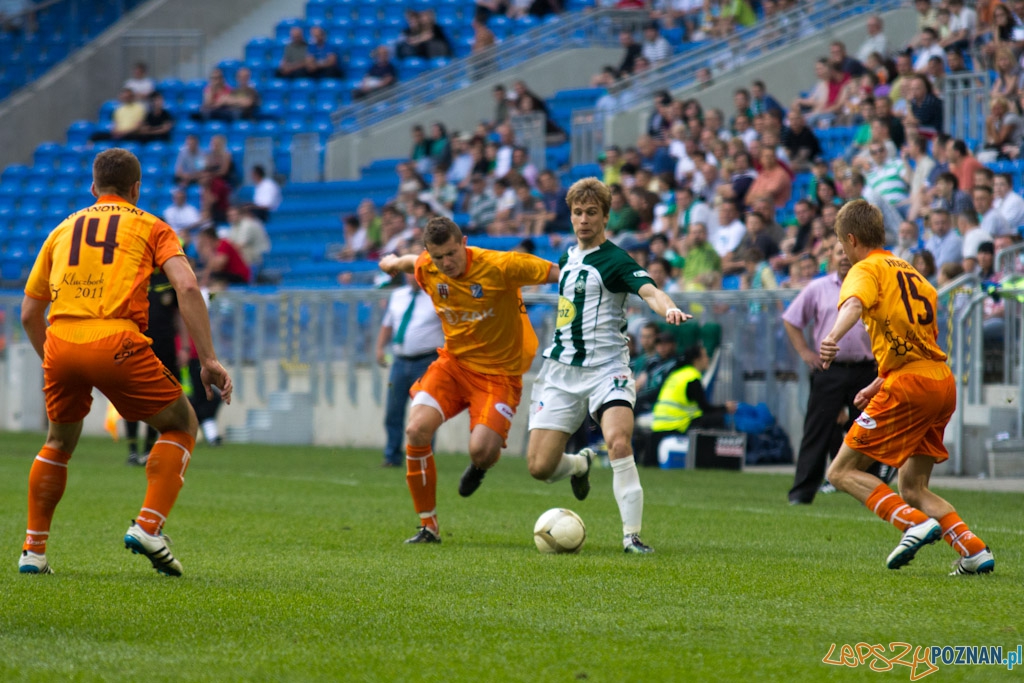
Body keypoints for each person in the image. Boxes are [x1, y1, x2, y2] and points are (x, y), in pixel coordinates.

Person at [17, 148, 233, 577]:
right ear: (136, 189)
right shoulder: (152, 225)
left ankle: (33, 552)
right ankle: (149, 526)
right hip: (116, 338)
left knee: (58, 443)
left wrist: (55, 362)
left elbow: (27, 313)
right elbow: (188, 287)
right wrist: (208, 359)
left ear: (93, 188)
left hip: (60, 340)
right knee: (180, 423)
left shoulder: (62, 229)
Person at [819, 199, 994, 575]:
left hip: (910, 386)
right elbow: (917, 341)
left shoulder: (866, 268)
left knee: (840, 472)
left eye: (841, 244)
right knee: (912, 485)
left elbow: (852, 304)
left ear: (850, 239)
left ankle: (911, 524)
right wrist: (878, 381)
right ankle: (974, 550)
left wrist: (832, 336)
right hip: (940, 382)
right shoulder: (914, 273)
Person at [526, 178, 692, 554]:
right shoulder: (568, 258)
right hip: (562, 372)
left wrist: (669, 309)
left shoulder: (615, 260)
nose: (584, 220)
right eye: (578, 213)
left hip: (607, 370)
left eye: (591, 213)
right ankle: (579, 466)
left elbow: (649, 290)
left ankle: (631, 536)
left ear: (605, 217)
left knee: (618, 442)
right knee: (539, 467)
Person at [378, 217, 559, 544]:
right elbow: (410, 263)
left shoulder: (501, 265)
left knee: (481, 451)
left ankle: (479, 466)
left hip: (498, 376)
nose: (446, 263)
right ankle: (428, 526)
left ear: (464, 242)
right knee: (415, 430)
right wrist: (391, 262)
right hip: (453, 365)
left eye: (451, 253)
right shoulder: (427, 267)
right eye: (438, 257)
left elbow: (560, 272)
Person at [784, 241, 880, 505]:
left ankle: (872, 495)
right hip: (829, 369)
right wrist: (805, 352)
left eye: (847, 253)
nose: (844, 258)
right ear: (830, 256)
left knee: (868, 431)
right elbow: (791, 320)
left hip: (866, 369)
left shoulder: (872, 285)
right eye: (839, 253)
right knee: (817, 430)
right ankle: (802, 493)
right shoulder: (817, 288)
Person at [374, 272, 445, 468]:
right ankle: (392, 455)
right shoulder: (398, 295)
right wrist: (380, 347)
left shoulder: (436, 297)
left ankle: (423, 456)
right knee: (393, 410)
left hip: (427, 361)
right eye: (407, 273)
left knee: (425, 413)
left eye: (414, 274)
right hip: (399, 360)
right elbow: (387, 324)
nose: (410, 278)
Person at [123, 269, 186, 466]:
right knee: (131, 398)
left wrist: (184, 346)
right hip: (136, 347)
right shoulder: (130, 277)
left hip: (165, 348)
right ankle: (133, 450)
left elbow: (179, 315)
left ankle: (149, 449)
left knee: (156, 399)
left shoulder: (169, 280)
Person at [649, 342, 737, 449]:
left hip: (658, 425)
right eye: (705, 356)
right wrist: (726, 408)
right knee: (719, 419)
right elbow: (705, 408)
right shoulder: (692, 377)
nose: (708, 359)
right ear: (696, 360)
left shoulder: (676, 374)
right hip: (676, 425)